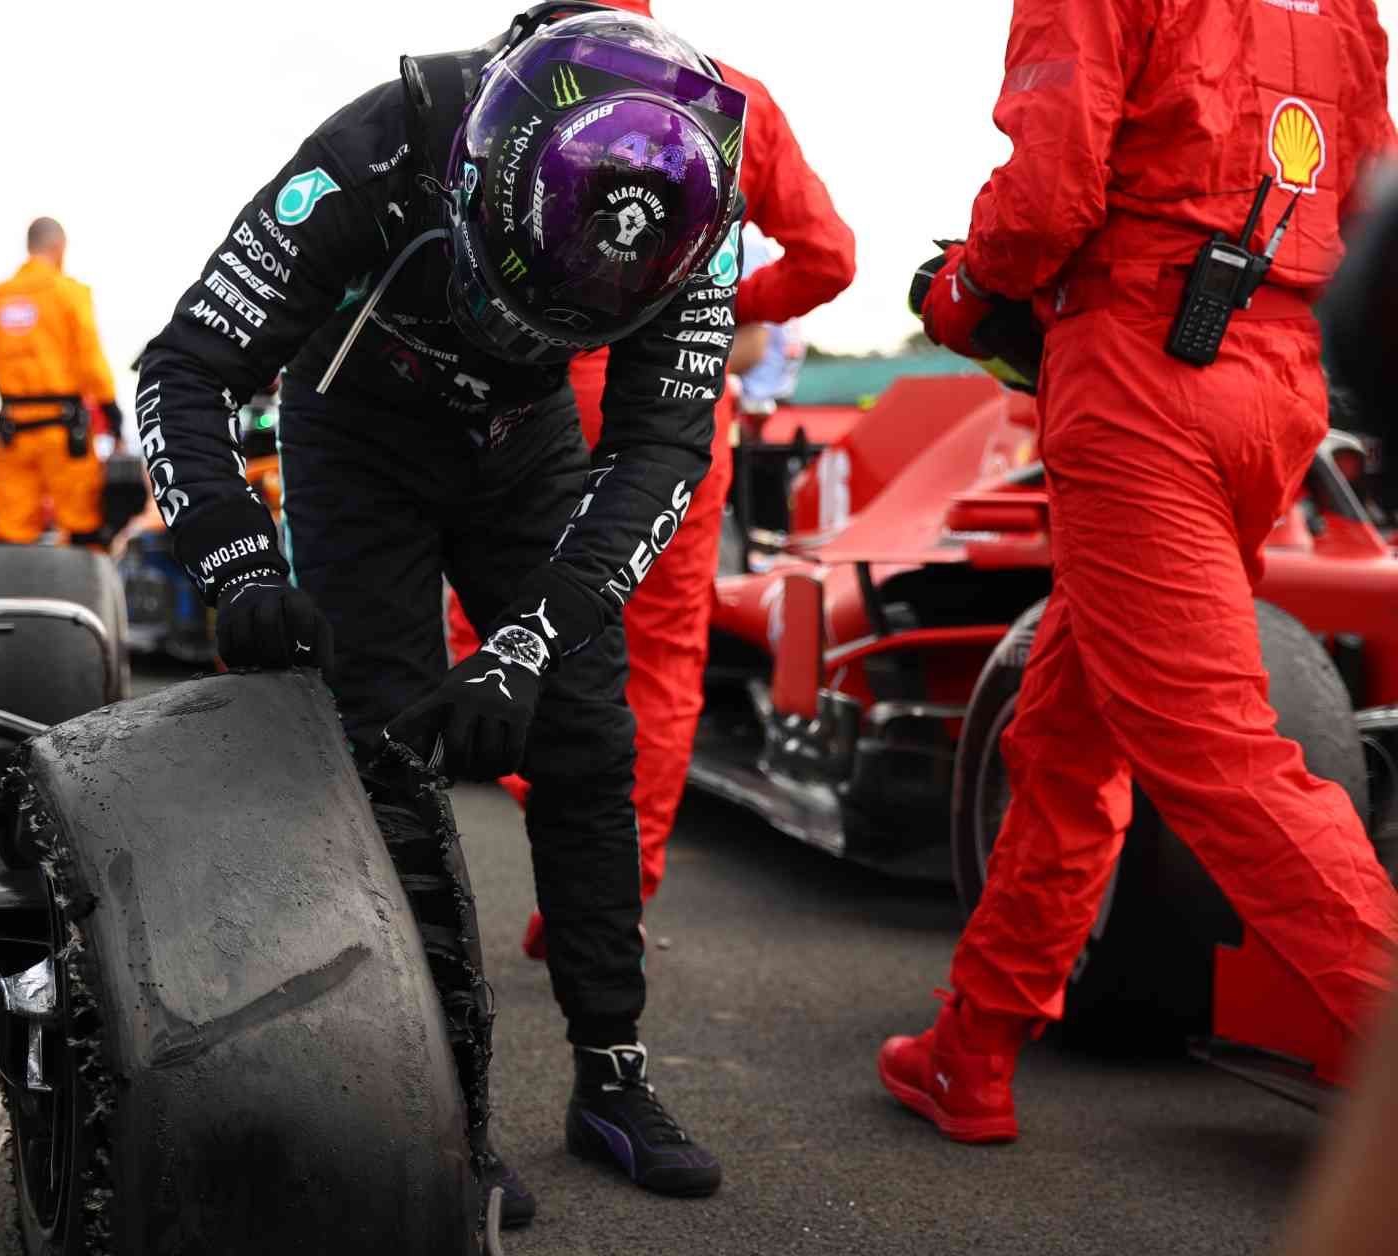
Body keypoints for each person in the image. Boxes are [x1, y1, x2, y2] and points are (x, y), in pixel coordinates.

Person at [135, 7, 747, 1218]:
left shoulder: (697, 213)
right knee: (387, 747)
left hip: (527, 443)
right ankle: (437, 1095)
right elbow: (183, 367)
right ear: (478, 172)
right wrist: (240, 564)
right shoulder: (377, 145)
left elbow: (662, 449)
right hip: (358, 431)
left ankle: (612, 1071)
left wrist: (526, 646)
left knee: (583, 729)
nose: (525, 328)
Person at [882, 0, 1398, 1144]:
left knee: (1216, 750)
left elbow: (1049, 190)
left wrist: (964, 292)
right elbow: (1368, 187)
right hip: (1278, 381)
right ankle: (972, 1045)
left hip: (1139, 372)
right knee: (1068, 734)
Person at [449, 0, 856, 961]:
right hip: (679, 407)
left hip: (543, 396)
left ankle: (547, 819)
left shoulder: (519, 75)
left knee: (493, 625)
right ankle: (610, 900)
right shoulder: (735, 97)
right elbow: (832, 258)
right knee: (667, 657)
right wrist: (711, 299)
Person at [0, 217, 122, 545]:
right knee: (82, 530)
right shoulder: (70, 294)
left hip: (13, 436)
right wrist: (112, 415)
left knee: (12, 532)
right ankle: (80, 594)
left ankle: (16, 592)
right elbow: (91, 361)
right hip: (65, 436)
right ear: (59, 247)